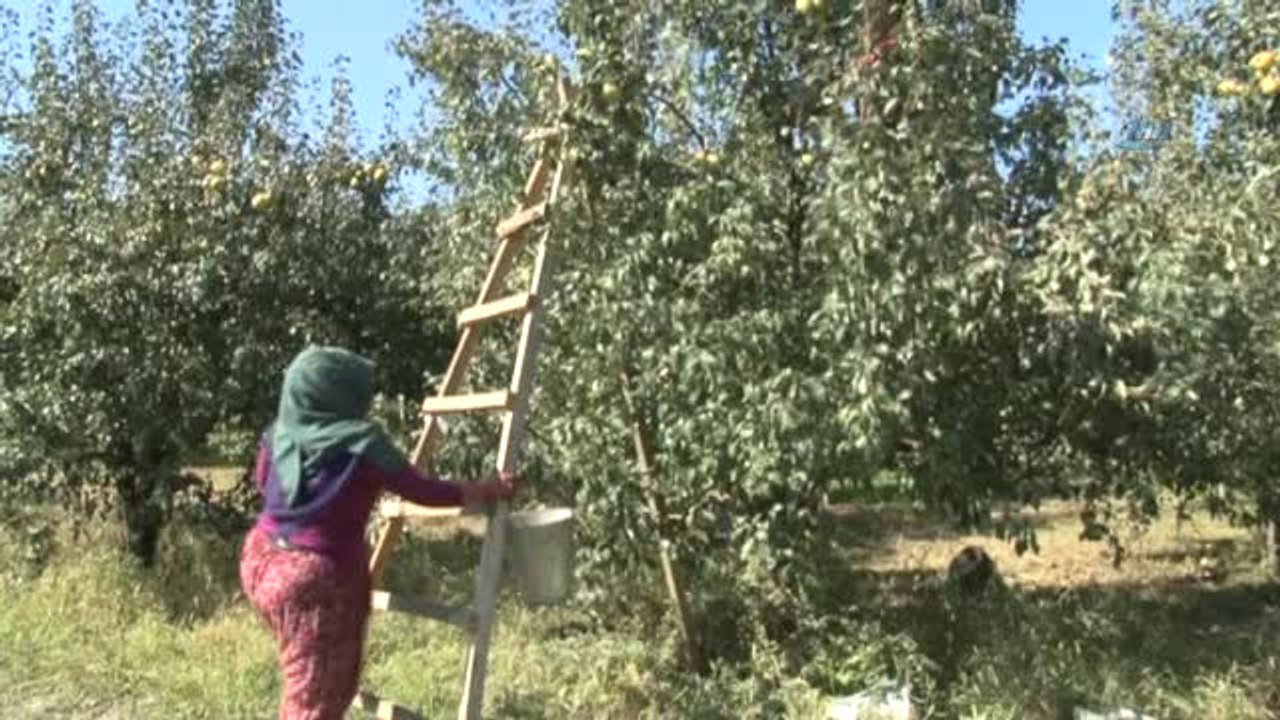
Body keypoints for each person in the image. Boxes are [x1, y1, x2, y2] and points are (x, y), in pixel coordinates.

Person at [239, 345, 514, 720]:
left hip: (261, 560)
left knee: (305, 675)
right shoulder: (362, 443)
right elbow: (422, 491)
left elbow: (262, 482)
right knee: (315, 701)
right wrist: (482, 489)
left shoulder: (280, 434)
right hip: (312, 579)